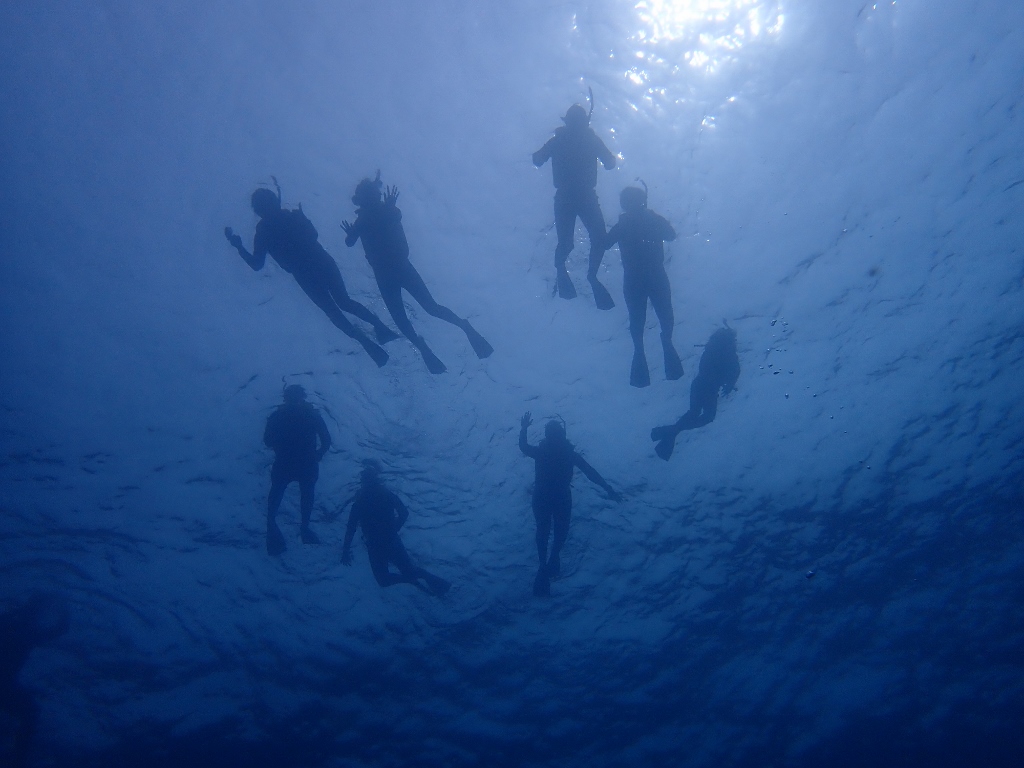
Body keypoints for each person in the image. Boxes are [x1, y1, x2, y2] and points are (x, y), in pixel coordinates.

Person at [225, 184, 396, 367]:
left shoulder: (266, 230)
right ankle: (377, 330)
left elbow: (257, 264)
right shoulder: (281, 221)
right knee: (342, 303)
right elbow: (311, 236)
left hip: (308, 271)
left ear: (259, 210)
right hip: (318, 263)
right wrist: (302, 218)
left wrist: (239, 247)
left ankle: (371, 337)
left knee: (336, 310)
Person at [342, 174, 493, 374]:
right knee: (415, 314)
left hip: (394, 270)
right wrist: (357, 229)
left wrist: (356, 229)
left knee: (424, 310)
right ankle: (432, 343)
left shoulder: (374, 214)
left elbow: (356, 238)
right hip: (394, 271)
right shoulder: (369, 216)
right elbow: (352, 240)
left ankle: (459, 329)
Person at [519, 412, 620, 597]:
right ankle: (548, 561)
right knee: (556, 530)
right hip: (559, 495)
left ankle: (546, 563)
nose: (555, 437)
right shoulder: (567, 454)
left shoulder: (548, 452)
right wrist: (608, 489)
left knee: (546, 529)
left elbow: (524, 447)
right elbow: (590, 472)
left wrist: (524, 428)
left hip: (545, 494)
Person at [532, 97, 617, 309]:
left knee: (568, 242)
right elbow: (610, 163)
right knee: (598, 238)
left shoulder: (558, 140)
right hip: (584, 196)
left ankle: (565, 270)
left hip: (565, 197)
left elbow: (537, 159)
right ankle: (590, 275)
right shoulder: (590, 139)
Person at [605, 185, 684, 388]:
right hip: (654, 275)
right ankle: (664, 343)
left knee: (638, 320)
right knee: (663, 315)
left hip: (635, 278)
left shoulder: (623, 224)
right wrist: (652, 217)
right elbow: (671, 234)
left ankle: (642, 350)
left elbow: (604, 243)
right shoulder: (648, 219)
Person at [341, 461, 450, 596]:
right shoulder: (384, 495)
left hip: (376, 543)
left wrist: (345, 550)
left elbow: (351, 528)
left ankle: (414, 579)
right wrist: (393, 530)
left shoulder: (361, 501)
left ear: (363, 482)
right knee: (403, 574)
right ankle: (419, 578)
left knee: (384, 579)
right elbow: (404, 513)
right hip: (388, 540)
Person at [0, 594, 69, 768]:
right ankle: (17, 759)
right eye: (36, 608)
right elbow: (58, 630)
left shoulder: (29, 630)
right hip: (5, 684)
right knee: (30, 713)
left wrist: (65, 610)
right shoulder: (12, 624)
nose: (36, 613)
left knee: (31, 713)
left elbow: (58, 631)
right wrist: (66, 609)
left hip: (6, 685)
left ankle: (18, 759)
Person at [651, 327, 740, 460]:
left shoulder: (711, 348)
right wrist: (729, 384)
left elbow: (709, 368)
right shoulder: (728, 353)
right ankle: (669, 432)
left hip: (699, 384)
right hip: (709, 388)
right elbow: (734, 371)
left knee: (694, 412)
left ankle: (669, 432)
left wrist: (727, 382)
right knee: (707, 416)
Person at [264, 384, 331, 555]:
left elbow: (267, 441)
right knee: (303, 494)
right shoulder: (311, 415)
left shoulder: (278, 416)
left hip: (290, 462)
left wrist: (319, 453)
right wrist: (319, 453)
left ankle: (287, 527)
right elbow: (326, 440)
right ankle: (302, 528)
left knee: (280, 493)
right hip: (302, 462)